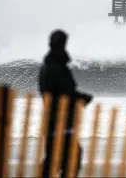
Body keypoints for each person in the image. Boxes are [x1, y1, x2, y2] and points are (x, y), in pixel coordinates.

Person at [38, 29, 92, 177]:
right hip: (61, 122)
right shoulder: (56, 67)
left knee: (53, 160)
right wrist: (82, 98)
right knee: (72, 158)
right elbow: (66, 93)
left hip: (51, 121)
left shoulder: (45, 67)